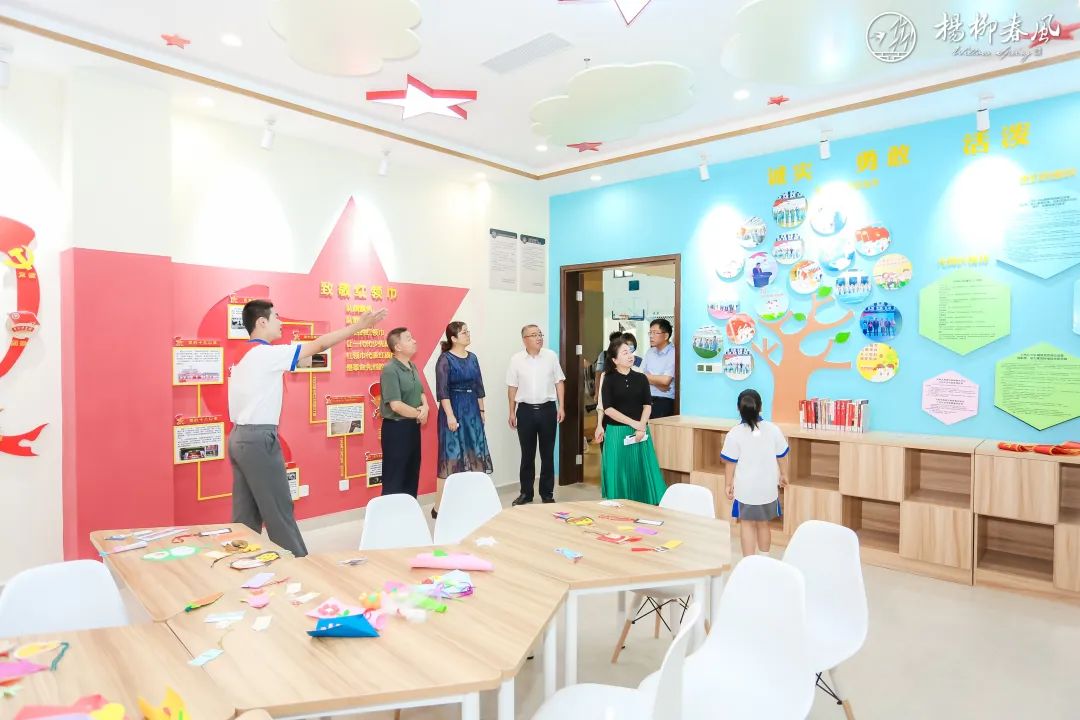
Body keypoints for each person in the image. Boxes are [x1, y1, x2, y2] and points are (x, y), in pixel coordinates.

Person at [229, 300, 387, 557]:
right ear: (262, 322)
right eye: (276, 317)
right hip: (258, 439)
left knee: (245, 514)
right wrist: (358, 326)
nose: (281, 322)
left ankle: (242, 562)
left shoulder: (242, 355)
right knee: (279, 510)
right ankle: (300, 565)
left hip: (239, 438)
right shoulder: (265, 353)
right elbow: (319, 345)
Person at [595, 336, 667, 505]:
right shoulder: (609, 378)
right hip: (617, 432)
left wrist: (641, 426)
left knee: (640, 470)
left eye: (630, 352)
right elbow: (608, 408)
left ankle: (643, 506)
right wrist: (634, 424)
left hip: (640, 432)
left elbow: (647, 405)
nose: (630, 356)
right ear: (615, 360)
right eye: (624, 353)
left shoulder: (641, 378)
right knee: (619, 471)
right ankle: (619, 506)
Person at [432, 321, 493, 519]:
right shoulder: (445, 359)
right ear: (453, 338)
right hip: (453, 411)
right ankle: (438, 507)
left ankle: (472, 502)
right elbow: (442, 392)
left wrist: (481, 410)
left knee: (474, 454)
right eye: (464, 332)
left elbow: (479, 387)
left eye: (468, 331)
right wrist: (450, 416)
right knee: (450, 457)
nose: (468, 334)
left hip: (472, 410)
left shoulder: (473, 358)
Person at [720, 389, 790, 558]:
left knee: (747, 524)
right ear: (761, 407)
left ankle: (749, 562)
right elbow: (782, 456)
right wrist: (784, 474)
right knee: (763, 524)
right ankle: (764, 560)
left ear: (738, 409)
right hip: (768, 488)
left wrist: (728, 484)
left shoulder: (734, 433)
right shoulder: (773, 430)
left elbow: (730, 463)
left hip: (746, 490)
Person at [507, 324, 565, 505]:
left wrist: (561, 407)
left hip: (548, 410)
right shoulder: (516, 360)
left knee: (547, 455)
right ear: (524, 339)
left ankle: (547, 494)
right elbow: (512, 387)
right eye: (534, 335)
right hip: (525, 411)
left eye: (540, 334)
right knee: (527, 455)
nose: (539, 337)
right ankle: (526, 493)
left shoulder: (551, 356)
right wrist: (511, 411)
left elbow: (559, 382)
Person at [380, 327, 428, 498]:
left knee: (411, 473)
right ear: (398, 347)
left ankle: (409, 510)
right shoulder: (390, 369)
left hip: (412, 427)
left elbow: (421, 392)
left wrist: (426, 407)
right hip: (396, 429)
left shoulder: (412, 366)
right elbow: (396, 405)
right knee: (395, 477)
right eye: (408, 338)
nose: (414, 341)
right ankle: (391, 513)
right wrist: (419, 414)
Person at [642, 318, 676, 418]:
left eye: (655, 333)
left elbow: (665, 381)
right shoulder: (650, 352)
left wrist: (648, 378)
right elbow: (640, 376)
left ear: (666, 336)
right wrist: (660, 385)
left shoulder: (673, 353)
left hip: (665, 399)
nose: (651, 336)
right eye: (650, 332)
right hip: (647, 397)